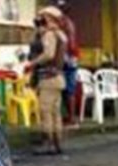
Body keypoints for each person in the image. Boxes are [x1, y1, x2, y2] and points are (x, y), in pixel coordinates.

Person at [25, 7, 67, 154]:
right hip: (58, 77)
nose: (40, 20)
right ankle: (57, 142)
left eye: (43, 18)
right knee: (55, 112)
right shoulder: (61, 35)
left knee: (46, 111)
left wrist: (33, 62)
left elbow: (49, 54)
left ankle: (47, 142)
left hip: (48, 77)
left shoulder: (49, 35)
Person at [56, 1, 81, 124]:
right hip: (71, 59)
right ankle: (70, 116)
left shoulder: (65, 23)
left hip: (68, 59)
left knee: (68, 90)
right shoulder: (68, 23)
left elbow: (69, 43)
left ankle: (71, 117)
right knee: (67, 90)